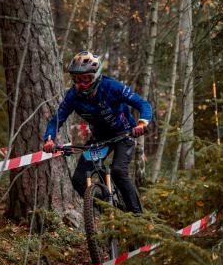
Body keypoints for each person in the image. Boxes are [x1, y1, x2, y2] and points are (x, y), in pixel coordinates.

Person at [43, 51, 152, 213]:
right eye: (76, 79)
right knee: (79, 180)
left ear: (96, 76)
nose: (81, 83)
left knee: (118, 171)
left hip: (124, 135)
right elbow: (56, 120)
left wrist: (142, 123)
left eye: (86, 78)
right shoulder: (72, 95)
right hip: (99, 139)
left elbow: (143, 104)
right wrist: (49, 139)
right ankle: (106, 208)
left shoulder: (111, 87)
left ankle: (137, 217)